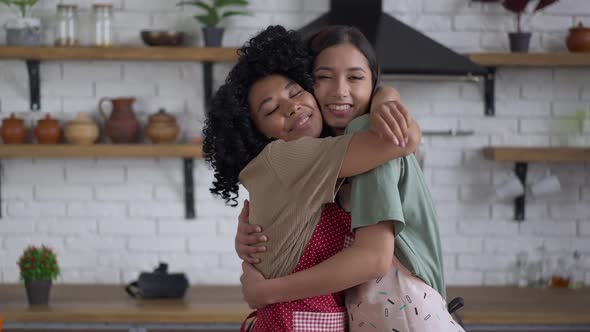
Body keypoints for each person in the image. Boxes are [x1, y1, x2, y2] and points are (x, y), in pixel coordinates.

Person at [236, 26, 465, 332]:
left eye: (355, 77)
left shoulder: (370, 132)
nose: (340, 91)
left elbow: (373, 258)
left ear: (373, 82)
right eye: (323, 77)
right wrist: (247, 242)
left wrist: (267, 292)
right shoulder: (324, 154)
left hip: (404, 314)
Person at [203, 25, 419, 331]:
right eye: (272, 109)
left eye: (296, 92)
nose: (292, 107)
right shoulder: (285, 157)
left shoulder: (324, 161)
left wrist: (386, 93)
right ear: (258, 133)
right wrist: (385, 96)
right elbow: (401, 140)